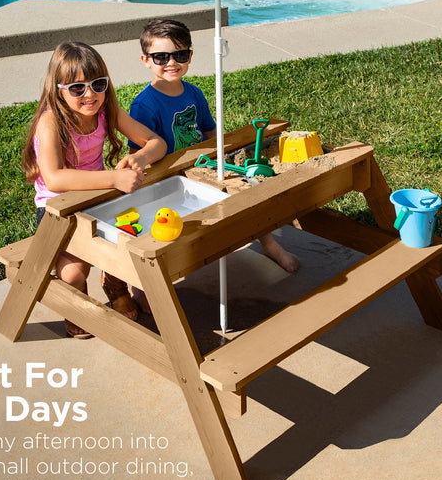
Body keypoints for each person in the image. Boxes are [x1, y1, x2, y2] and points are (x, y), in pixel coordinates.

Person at [129, 19, 300, 273]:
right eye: (161, 57)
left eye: (180, 54)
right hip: (169, 177)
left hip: (202, 166)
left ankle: (269, 244)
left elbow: (210, 132)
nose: (172, 62)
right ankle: (147, 277)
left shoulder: (194, 93)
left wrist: (224, 156)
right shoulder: (144, 106)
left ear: (190, 55)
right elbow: (137, 154)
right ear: (146, 60)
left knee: (248, 192)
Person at [22, 42, 166, 337]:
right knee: (75, 273)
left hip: (98, 199)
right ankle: (78, 297)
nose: (90, 95)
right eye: (77, 88)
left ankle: (115, 283)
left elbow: (157, 142)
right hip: (57, 208)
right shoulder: (50, 122)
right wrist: (113, 179)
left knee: (134, 237)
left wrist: (139, 157)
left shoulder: (107, 110)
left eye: (98, 84)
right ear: (58, 88)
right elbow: (54, 179)